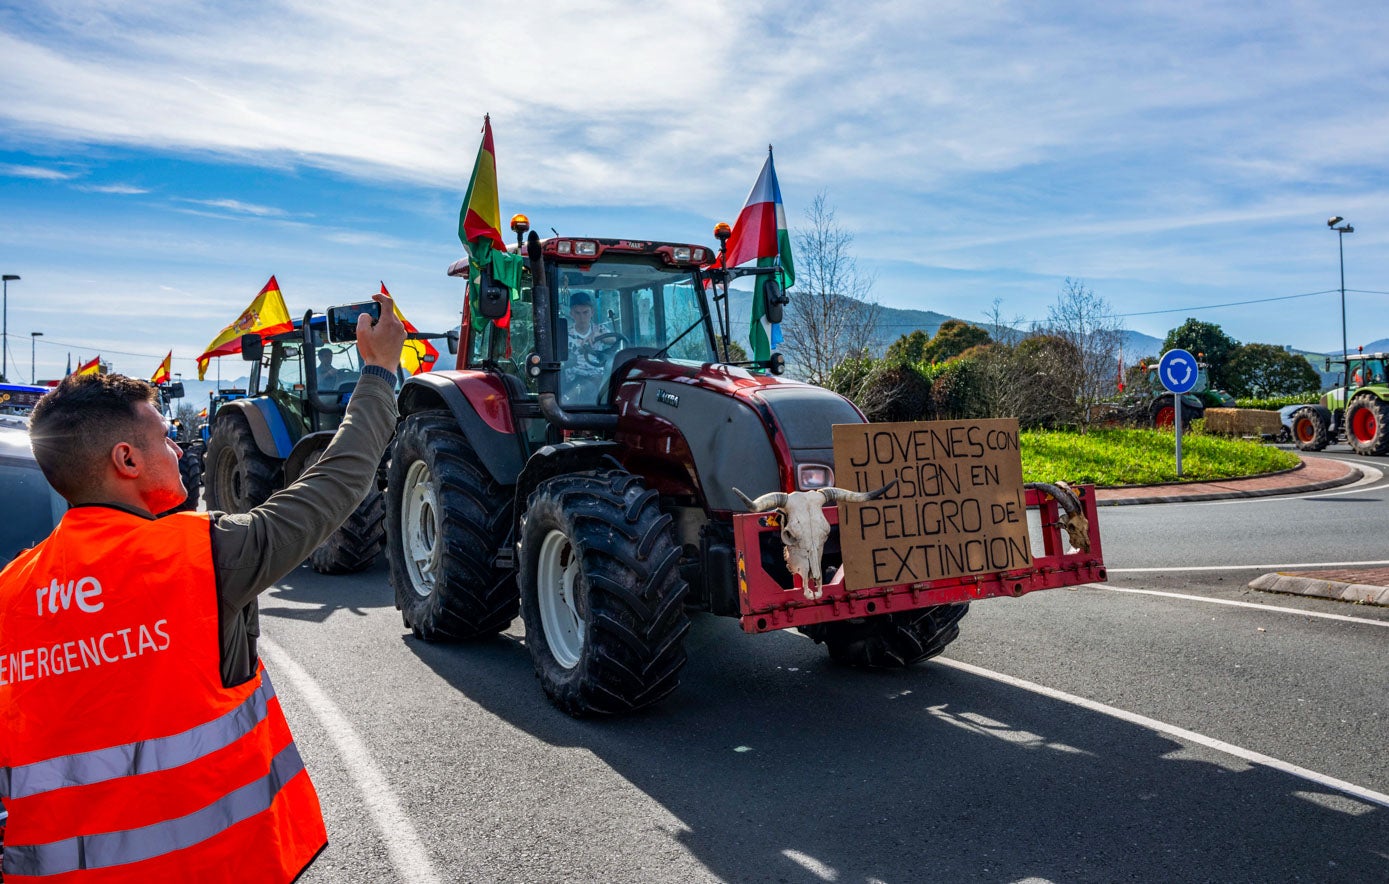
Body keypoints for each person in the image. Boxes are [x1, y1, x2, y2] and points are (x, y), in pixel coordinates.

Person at [0, 292, 407, 883]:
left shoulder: (12, 593)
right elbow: (338, 481)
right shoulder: (202, 554)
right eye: (165, 437)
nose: (179, 447)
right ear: (126, 460)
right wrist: (378, 373)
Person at [564, 291, 611, 399]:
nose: (582, 317)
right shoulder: (565, 334)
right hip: (575, 377)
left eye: (586, 312)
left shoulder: (599, 329)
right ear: (571, 313)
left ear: (592, 312)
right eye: (578, 313)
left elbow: (614, 339)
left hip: (599, 375)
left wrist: (600, 336)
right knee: (588, 389)